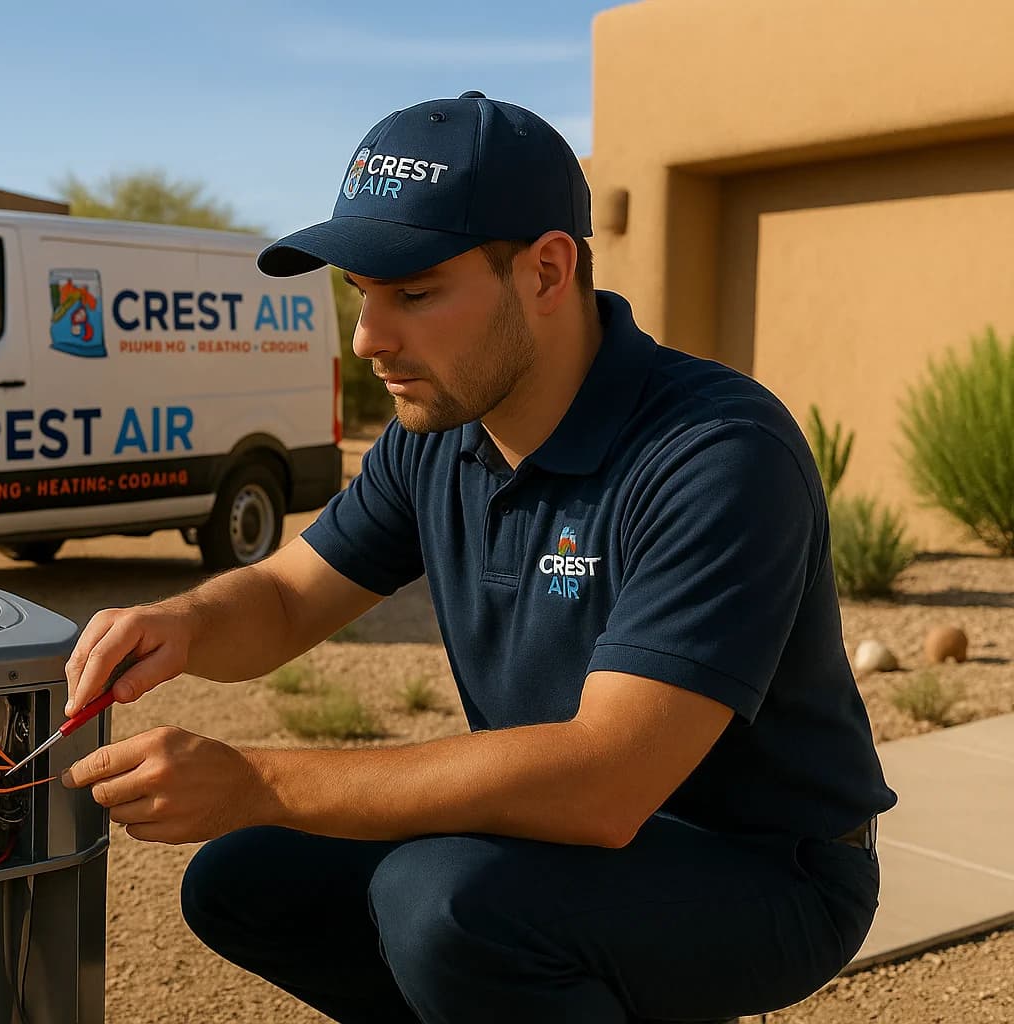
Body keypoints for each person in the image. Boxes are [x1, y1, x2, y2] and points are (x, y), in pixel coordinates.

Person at [57, 91, 898, 1024]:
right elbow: (288, 600)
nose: (370, 339)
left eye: (413, 293)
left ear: (546, 271)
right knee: (245, 878)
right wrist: (182, 623)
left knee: (445, 901)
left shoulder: (715, 451)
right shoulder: (440, 430)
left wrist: (255, 780)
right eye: (362, 296)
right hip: (563, 836)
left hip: (761, 868)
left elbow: (605, 782)